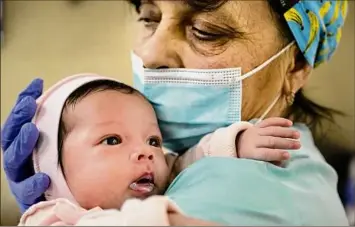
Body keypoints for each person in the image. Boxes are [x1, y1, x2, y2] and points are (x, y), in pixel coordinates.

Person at [1, 0, 350, 225]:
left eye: (205, 31)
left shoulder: (247, 185)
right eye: (150, 19)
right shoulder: (199, 163)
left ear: (296, 66)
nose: (151, 55)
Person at [18, 73, 299, 225]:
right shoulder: (49, 217)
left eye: (153, 140)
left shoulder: (162, 175)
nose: (147, 152)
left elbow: (188, 163)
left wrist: (235, 143)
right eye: (113, 140)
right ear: (53, 167)